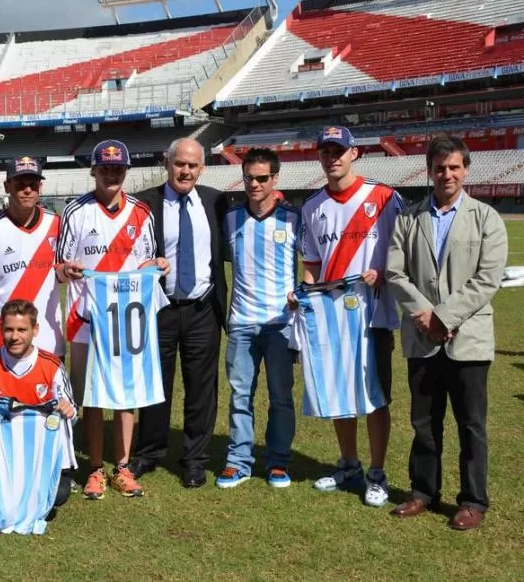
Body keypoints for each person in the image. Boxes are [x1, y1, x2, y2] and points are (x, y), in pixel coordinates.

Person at [387, 136, 507, 530]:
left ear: (466, 170)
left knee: (471, 424)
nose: (447, 174)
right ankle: (423, 492)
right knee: (424, 422)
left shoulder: (486, 217)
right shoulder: (409, 217)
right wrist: (426, 316)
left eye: (454, 167)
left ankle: (473, 500)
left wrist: (442, 317)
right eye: (440, 168)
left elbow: (487, 279)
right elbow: (394, 272)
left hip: (467, 340)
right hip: (422, 339)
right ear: (429, 170)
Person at [297, 126, 404, 507]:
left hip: (373, 316)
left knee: (375, 397)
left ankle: (377, 472)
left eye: (339, 150)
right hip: (331, 319)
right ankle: (349, 465)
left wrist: (385, 272)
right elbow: (311, 266)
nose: (333, 158)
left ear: (354, 153)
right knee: (340, 391)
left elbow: (403, 253)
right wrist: (303, 291)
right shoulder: (312, 207)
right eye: (326, 151)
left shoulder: (384, 197)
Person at [56, 139, 168, 499]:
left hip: (126, 321)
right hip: (86, 319)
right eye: (105, 168)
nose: (111, 174)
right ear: (93, 171)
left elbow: (150, 262)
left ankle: (122, 466)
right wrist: (66, 270)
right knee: (91, 397)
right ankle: (94, 468)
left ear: (126, 171)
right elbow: (59, 268)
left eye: (118, 168)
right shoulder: (75, 211)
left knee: (125, 394)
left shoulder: (141, 212)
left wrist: (158, 266)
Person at [129, 138, 228, 489]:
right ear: (166, 163)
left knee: (202, 388)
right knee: (156, 384)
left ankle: (195, 459)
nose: (185, 170)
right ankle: (150, 452)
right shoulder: (144, 204)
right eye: (179, 164)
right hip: (160, 308)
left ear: (202, 168)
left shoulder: (217, 202)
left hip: (203, 307)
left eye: (192, 165)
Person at [0, 299, 76, 533]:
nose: (14, 336)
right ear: (0, 330)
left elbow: (72, 410)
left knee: (58, 496)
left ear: (35, 330)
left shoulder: (51, 365)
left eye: (22, 329)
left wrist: (69, 410)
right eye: (9, 329)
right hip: (0, 452)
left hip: (35, 451)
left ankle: (25, 493)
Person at [215, 148, 298, 489]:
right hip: (242, 325)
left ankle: (277, 462)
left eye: (262, 178)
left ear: (274, 179)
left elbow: (313, 265)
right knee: (240, 397)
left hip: (280, 325)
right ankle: (238, 461)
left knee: (280, 396)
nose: (254, 184)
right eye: (249, 177)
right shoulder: (231, 219)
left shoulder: (293, 219)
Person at [0, 155, 64, 357]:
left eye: (33, 184)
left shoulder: (57, 225)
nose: (27, 190)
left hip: (49, 340)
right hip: (4, 340)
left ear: (40, 187)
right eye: (20, 184)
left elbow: (64, 273)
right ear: (7, 186)